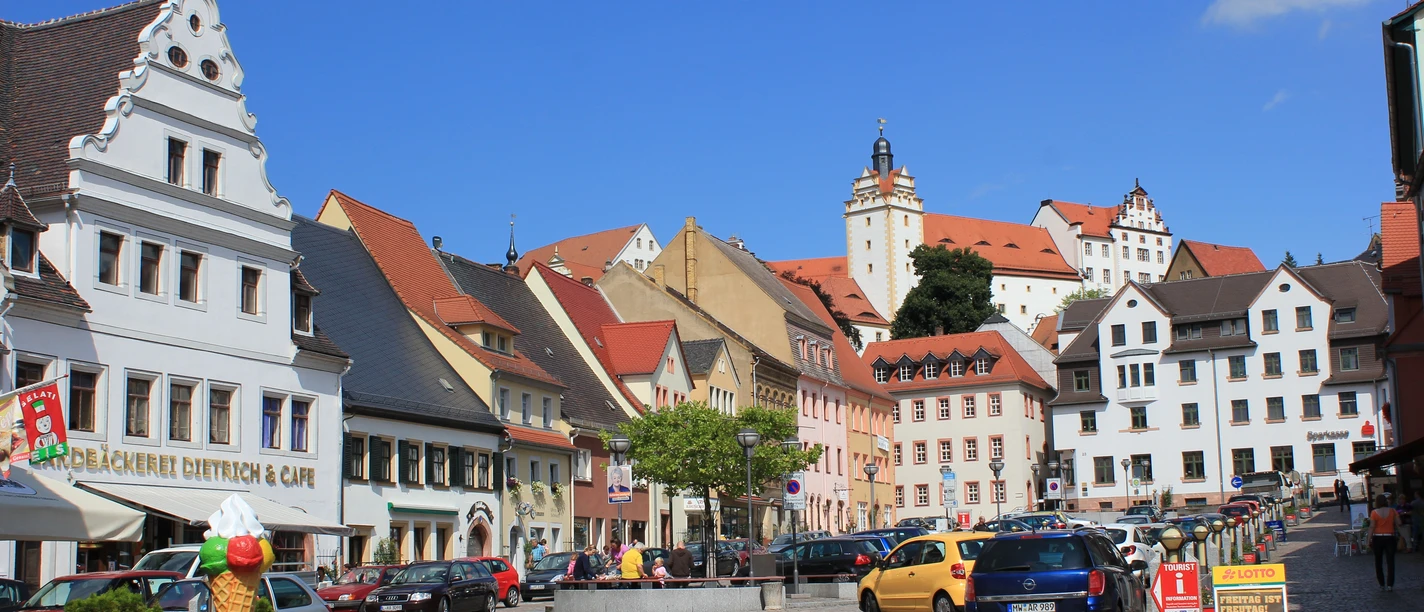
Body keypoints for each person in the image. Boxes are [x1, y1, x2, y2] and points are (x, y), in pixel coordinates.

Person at [1369, 494, 1403, 591]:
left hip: (1378, 538)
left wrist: (1369, 539)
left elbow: (1372, 527)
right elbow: (1399, 523)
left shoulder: (1374, 513)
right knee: (1390, 562)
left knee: (1378, 561)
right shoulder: (1392, 511)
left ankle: (1381, 583)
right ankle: (1390, 585)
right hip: (1390, 537)